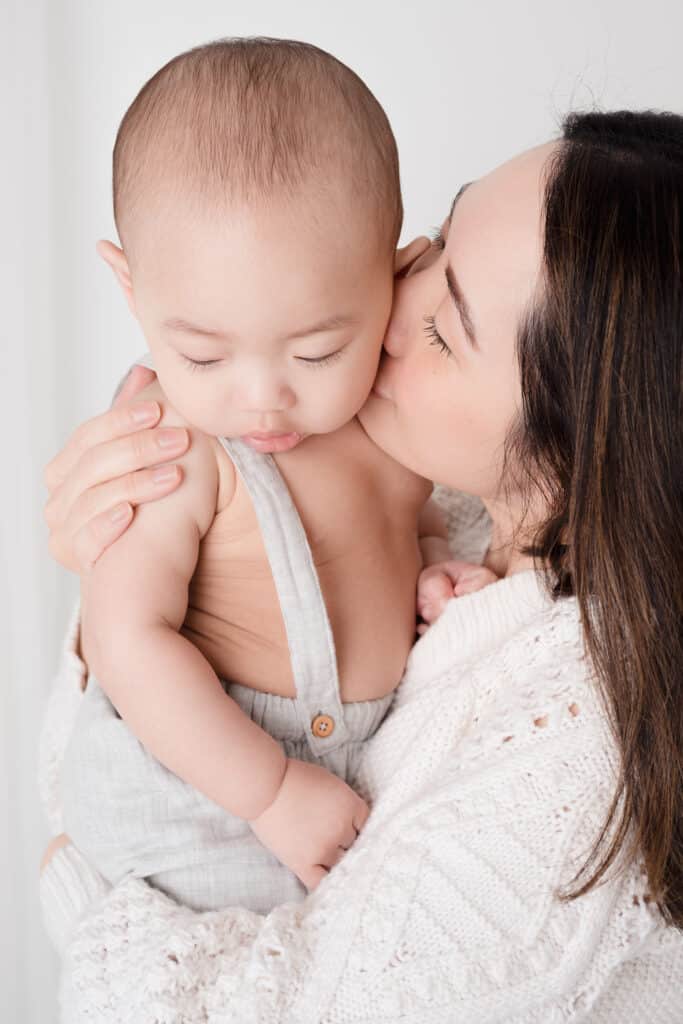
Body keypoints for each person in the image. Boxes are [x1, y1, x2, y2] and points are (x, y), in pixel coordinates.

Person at [39, 109, 683, 1021]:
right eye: (437, 240)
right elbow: (96, 742)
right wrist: (122, 556)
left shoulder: (583, 752)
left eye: (445, 327)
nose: (389, 294)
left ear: (587, 448)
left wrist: (83, 899)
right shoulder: (452, 512)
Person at [56, 37, 495, 917]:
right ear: (131, 289)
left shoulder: (390, 420)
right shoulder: (173, 447)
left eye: (317, 348)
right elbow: (127, 643)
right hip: (205, 776)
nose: (262, 399)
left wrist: (433, 571)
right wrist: (267, 791)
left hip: (354, 768)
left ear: (396, 276)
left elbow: (406, 523)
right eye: (202, 352)